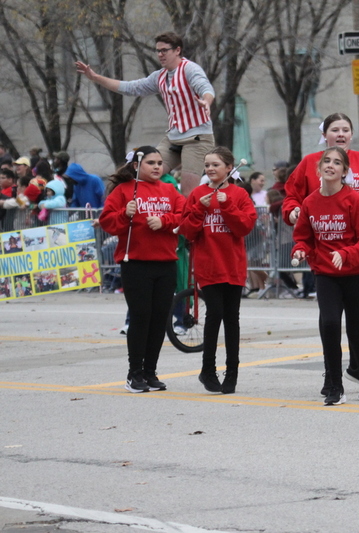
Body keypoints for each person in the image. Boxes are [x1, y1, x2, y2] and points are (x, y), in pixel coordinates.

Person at [282, 112, 359, 394]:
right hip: (325, 260)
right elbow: (292, 197)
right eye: (335, 129)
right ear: (326, 135)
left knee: (358, 325)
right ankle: (331, 378)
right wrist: (293, 212)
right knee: (330, 321)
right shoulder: (310, 164)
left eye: (346, 129)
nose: (341, 134)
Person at [76, 32, 214, 196]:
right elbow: (130, 87)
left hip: (196, 138)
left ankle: (186, 218)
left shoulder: (189, 69)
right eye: (158, 51)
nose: (160, 55)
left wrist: (206, 101)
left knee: (187, 191)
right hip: (174, 137)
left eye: (164, 50)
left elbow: (205, 87)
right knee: (143, 172)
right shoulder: (160, 76)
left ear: (177, 50)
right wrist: (96, 77)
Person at [291, 147, 359, 405]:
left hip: (357, 274)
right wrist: (299, 251)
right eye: (326, 161)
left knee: (355, 332)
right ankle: (335, 386)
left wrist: (346, 254)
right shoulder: (310, 202)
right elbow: (303, 238)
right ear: (319, 169)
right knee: (329, 325)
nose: (331, 165)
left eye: (337, 162)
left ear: (345, 171)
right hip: (326, 274)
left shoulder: (355, 201)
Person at [98, 146, 185, 393]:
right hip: (135, 263)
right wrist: (125, 214)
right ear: (136, 166)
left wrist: (165, 221)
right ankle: (133, 373)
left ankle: (150, 372)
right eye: (151, 163)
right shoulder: (123, 191)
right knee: (141, 317)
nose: (157, 167)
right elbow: (107, 222)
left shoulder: (170, 189)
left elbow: (185, 214)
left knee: (159, 319)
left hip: (166, 262)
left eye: (159, 162)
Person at [180, 147, 257, 394]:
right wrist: (200, 209)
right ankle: (208, 369)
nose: (210, 169)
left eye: (215, 164)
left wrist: (228, 206)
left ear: (228, 167)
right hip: (208, 266)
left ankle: (232, 372)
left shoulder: (240, 194)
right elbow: (187, 231)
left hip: (233, 266)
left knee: (232, 318)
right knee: (215, 314)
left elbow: (244, 227)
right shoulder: (197, 195)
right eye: (207, 165)